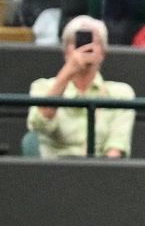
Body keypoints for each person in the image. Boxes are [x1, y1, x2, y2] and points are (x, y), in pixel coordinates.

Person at [26, 16, 135, 160]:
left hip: (101, 173)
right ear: (66, 52)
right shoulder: (42, 87)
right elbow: (39, 125)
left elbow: (116, 147)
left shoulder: (121, 93)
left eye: (93, 42)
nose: (85, 48)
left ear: (103, 52)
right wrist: (68, 72)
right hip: (53, 172)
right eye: (77, 42)